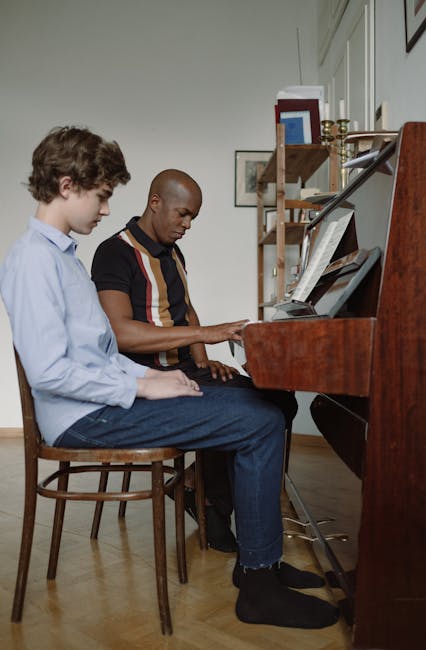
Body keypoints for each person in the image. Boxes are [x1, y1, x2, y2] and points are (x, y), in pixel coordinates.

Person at [0, 126, 339, 630]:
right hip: (84, 419)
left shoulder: (63, 257)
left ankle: (256, 566)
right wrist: (139, 385)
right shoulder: (33, 261)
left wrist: (157, 381)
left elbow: (101, 350)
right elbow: (50, 372)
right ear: (67, 186)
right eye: (102, 195)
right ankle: (258, 581)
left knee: (265, 408)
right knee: (260, 420)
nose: (108, 209)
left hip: (104, 402)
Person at [91, 169, 298, 553]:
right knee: (254, 411)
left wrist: (205, 361)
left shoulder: (173, 250)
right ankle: (211, 505)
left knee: (280, 398)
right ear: (155, 203)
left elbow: (185, 309)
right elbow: (121, 333)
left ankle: (194, 486)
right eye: (182, 214)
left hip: (186, 371)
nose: (187, 225)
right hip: (149, 379)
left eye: (193, 218)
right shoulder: (114, 252)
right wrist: (206, 336)